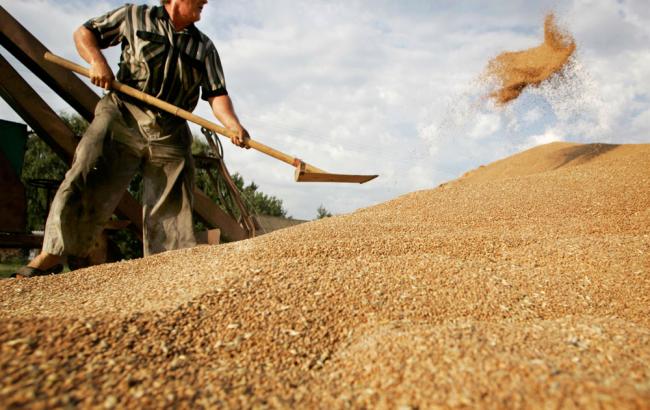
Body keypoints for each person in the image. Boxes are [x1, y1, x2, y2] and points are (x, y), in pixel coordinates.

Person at [12, 0, 249, 278]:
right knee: (88, 173)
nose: (206, 1)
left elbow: (216, 93)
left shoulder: (204, 47)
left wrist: (233, 125)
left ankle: (167, 269)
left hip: (170, 127)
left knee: (173, 200)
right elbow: (84, 33)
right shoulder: (134, 15)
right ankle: (52, 253)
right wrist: (96, 61)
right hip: (123, 113)